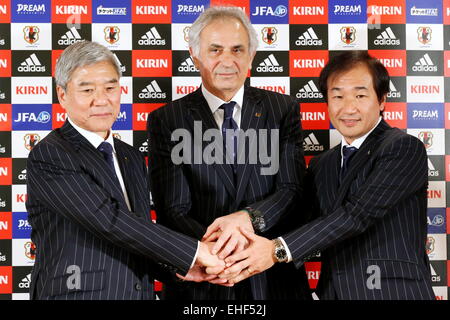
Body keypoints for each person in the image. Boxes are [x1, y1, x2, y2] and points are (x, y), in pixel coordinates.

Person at [220, 51, 435, 300]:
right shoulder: (324, 163)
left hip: (392, 292)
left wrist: (275, 250)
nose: (348, 107)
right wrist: (247, 222)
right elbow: (298, 217)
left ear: (382, 99)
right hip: (333, 292)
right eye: (338, 96)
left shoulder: (403, 148)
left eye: (360, 95)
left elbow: (357, 214)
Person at [25, 41, 223, 300]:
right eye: (87, 90)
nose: (102, 100)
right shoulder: (50, 154)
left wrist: (179, 268)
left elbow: (137, 233)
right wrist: (194, 252)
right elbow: (109, 220)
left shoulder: (130, 156)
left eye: (110, 87)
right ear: (62, 95)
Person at [147, 6, 311, 300]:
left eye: (237, 50)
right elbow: (173, 209)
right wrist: (223, 252)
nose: (227, 61)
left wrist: (248, 220)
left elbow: (292, 190)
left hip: (272, 279)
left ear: (251, 56)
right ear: (195, 55)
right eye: (215, 50)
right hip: (204, 280)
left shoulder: (282, 110)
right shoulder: (167, 120)